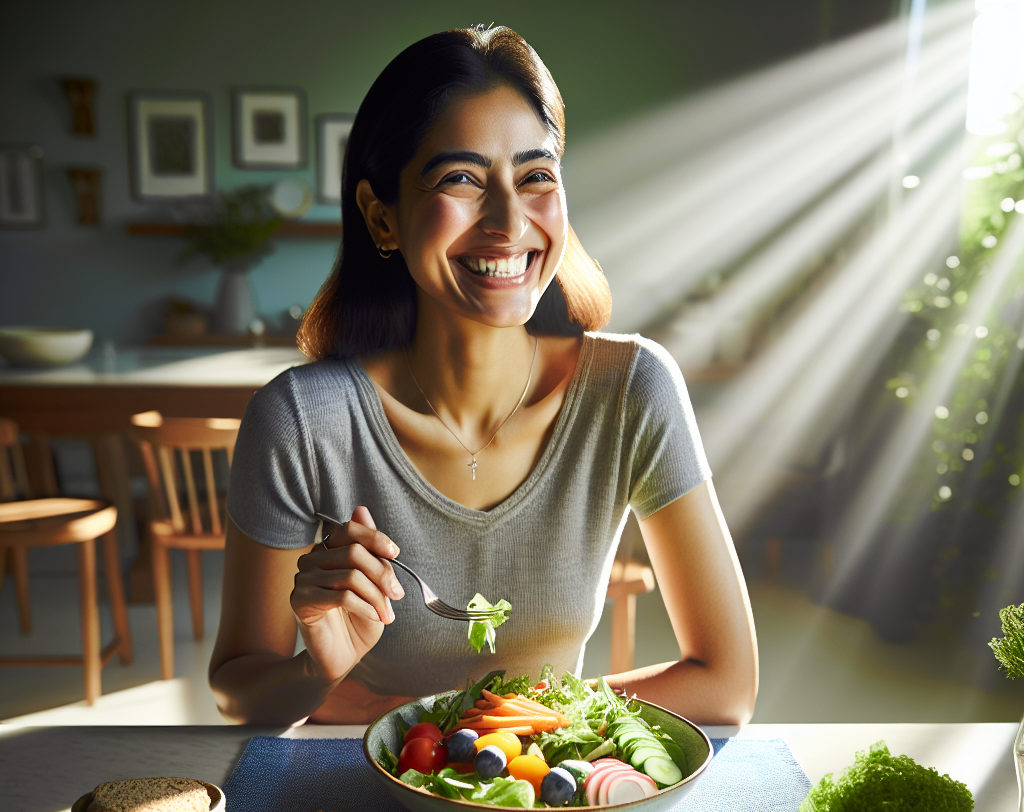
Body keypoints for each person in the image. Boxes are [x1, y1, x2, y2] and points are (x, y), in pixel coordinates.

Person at [209, 26, 757, 726]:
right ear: (382, 218)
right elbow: (238, 687)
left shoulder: (633, 388)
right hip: (363, 798)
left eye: (535, 177)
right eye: (460, 179)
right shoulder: (299, 420)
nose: (508, 221)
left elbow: (726, 684)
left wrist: (491, 726)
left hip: (549, 791)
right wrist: (315, 670)